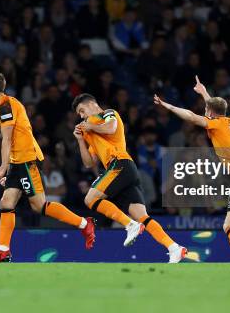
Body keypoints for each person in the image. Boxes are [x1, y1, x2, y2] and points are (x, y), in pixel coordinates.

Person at [154, 76, 230, 263]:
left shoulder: (216, 123)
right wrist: (203, 92)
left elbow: (192, 117)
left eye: (206, 110)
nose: (204, 112)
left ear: (210, 113)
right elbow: (213, 109)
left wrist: (167, 106)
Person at [0, 72, 95, 263]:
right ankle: (3, 250)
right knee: (6, 203)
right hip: (19, 161)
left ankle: (84, 223)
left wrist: (3, 167)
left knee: (39, 205)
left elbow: (6, 139)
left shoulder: (5, 106)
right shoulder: (5, 104)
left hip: (26, 160)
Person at [72, 93, 188, 263]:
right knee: (142, 215)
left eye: (82, 111)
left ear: (91, 104)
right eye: (79, 114)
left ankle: (129, 224)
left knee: (90, 199)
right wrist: (81, 141)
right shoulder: (90, 130)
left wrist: (89, 127)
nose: (81, 116)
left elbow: (111, 128)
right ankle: (174, 248)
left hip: (119, 164)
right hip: (123, 171)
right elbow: (90, 163)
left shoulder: (107, 114)